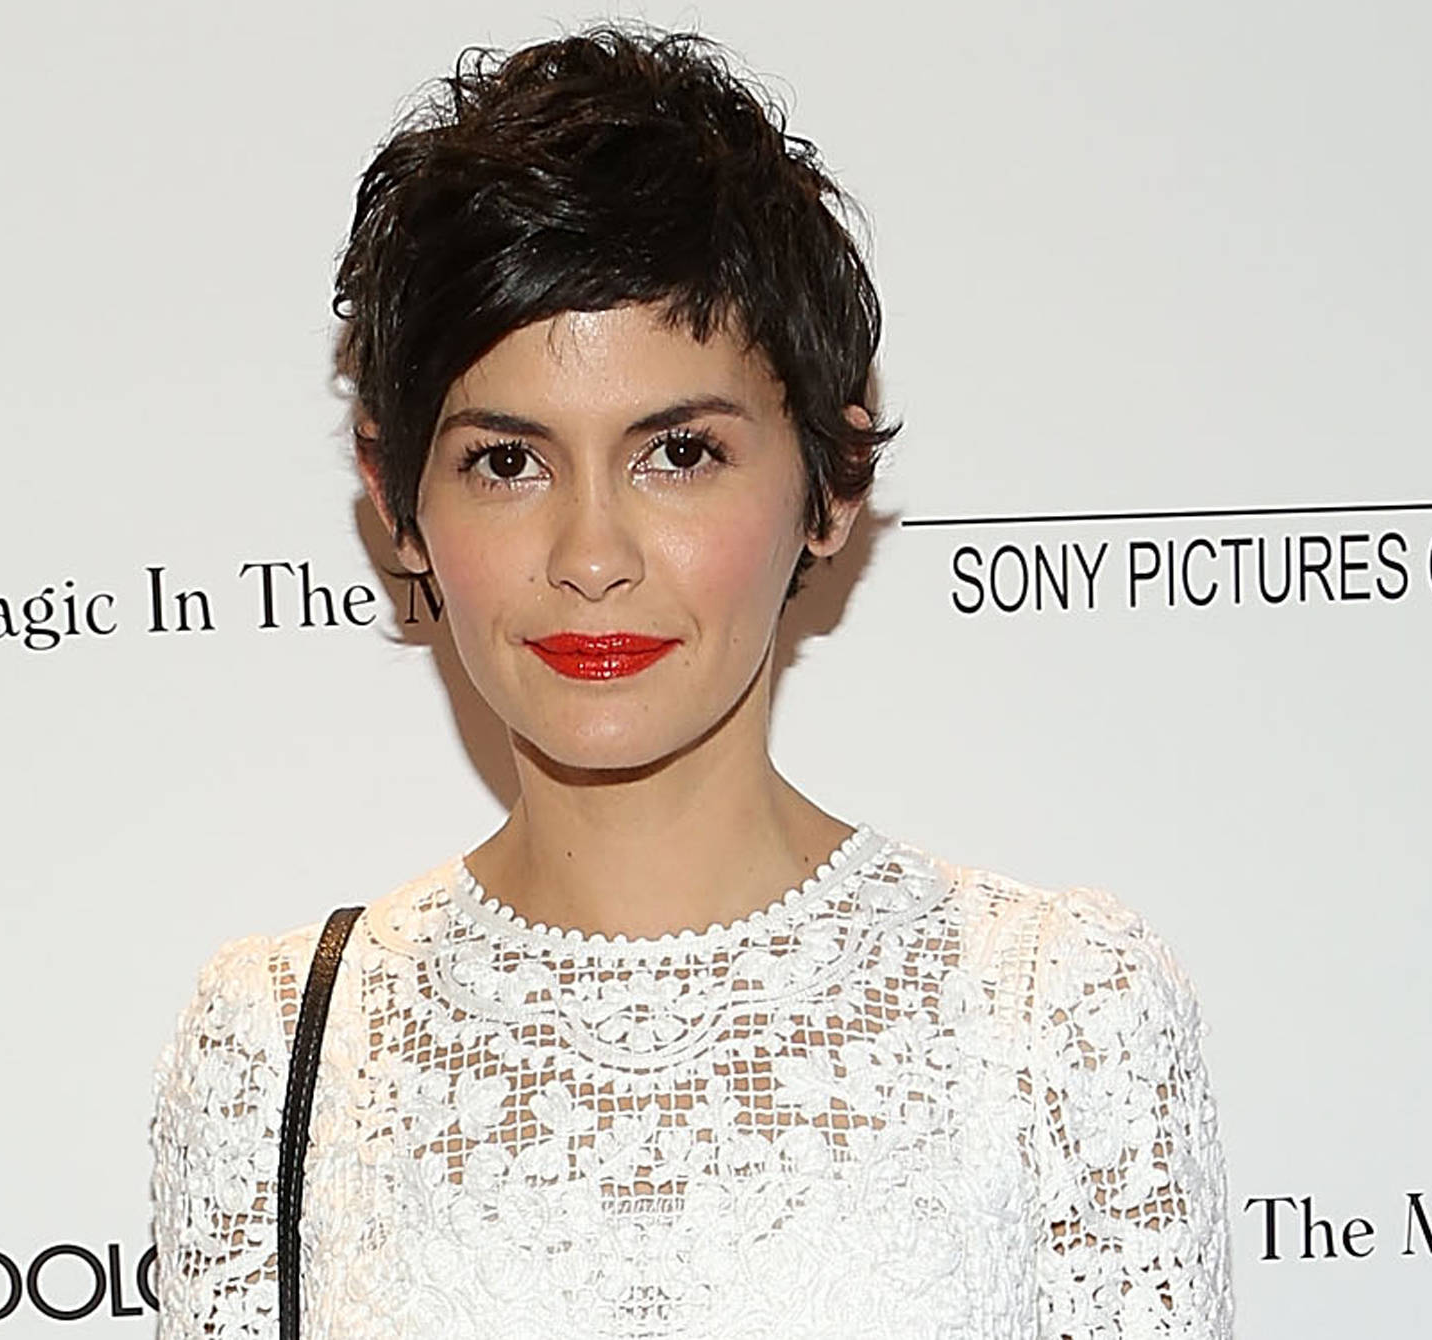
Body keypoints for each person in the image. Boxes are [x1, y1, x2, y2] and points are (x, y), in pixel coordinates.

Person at [151, 24, 1233, 1339]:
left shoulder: (1059, 1018)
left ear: (831, 484)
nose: (591, 555)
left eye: (678, 454)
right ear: (397, 498)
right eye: (508, 462)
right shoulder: (275, 1050)